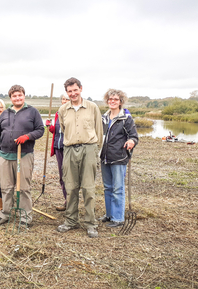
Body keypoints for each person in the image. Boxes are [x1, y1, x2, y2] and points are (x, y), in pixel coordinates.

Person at [0, 85, 44, 227]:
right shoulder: (5, 113)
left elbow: (40, 130)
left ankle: (25, 217)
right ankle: (5, 214)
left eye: (19, 95)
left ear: (24, 96)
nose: (17, 98)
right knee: (6, 187)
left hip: (24, 155)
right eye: (14, 96)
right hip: (4, 155)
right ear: (11, 98)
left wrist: (27, 136)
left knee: (24, 188)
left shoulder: (32, 112)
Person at [57, 77, 103, 238]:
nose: (73, 93)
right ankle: (71, 220)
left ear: (81, 89)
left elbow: (99, 130)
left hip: (89, 149)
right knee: (71, 187)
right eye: (69, 91)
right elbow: (63, 129)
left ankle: (91, 223)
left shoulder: (92, 107)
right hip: (69, 150)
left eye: (75, 90)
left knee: (88, 188)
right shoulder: (63, 110)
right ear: (67, 93)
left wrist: (95, 151)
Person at [99, 89, 138, 228]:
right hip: (104, 157)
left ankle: (118, 218)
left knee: (118, 189)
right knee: (107, 188)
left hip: (119, 158)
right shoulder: (103, 117)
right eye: (110, 99)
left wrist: (132, 141)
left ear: (120, 101)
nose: (112, 101)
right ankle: (109, 214)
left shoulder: (126, 118)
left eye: (115, 99)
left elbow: (134, 136)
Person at [45, 93, 69, 211]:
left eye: (67, 99)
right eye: (63, 99)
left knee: (70, 176)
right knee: (62, 176)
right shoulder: (57, 114)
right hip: (58, 146)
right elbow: (57, 130)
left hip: (69, 148)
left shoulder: (73, 113)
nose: (64, 101)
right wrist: (50, 126)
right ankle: (67, 201)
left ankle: (72, 202)